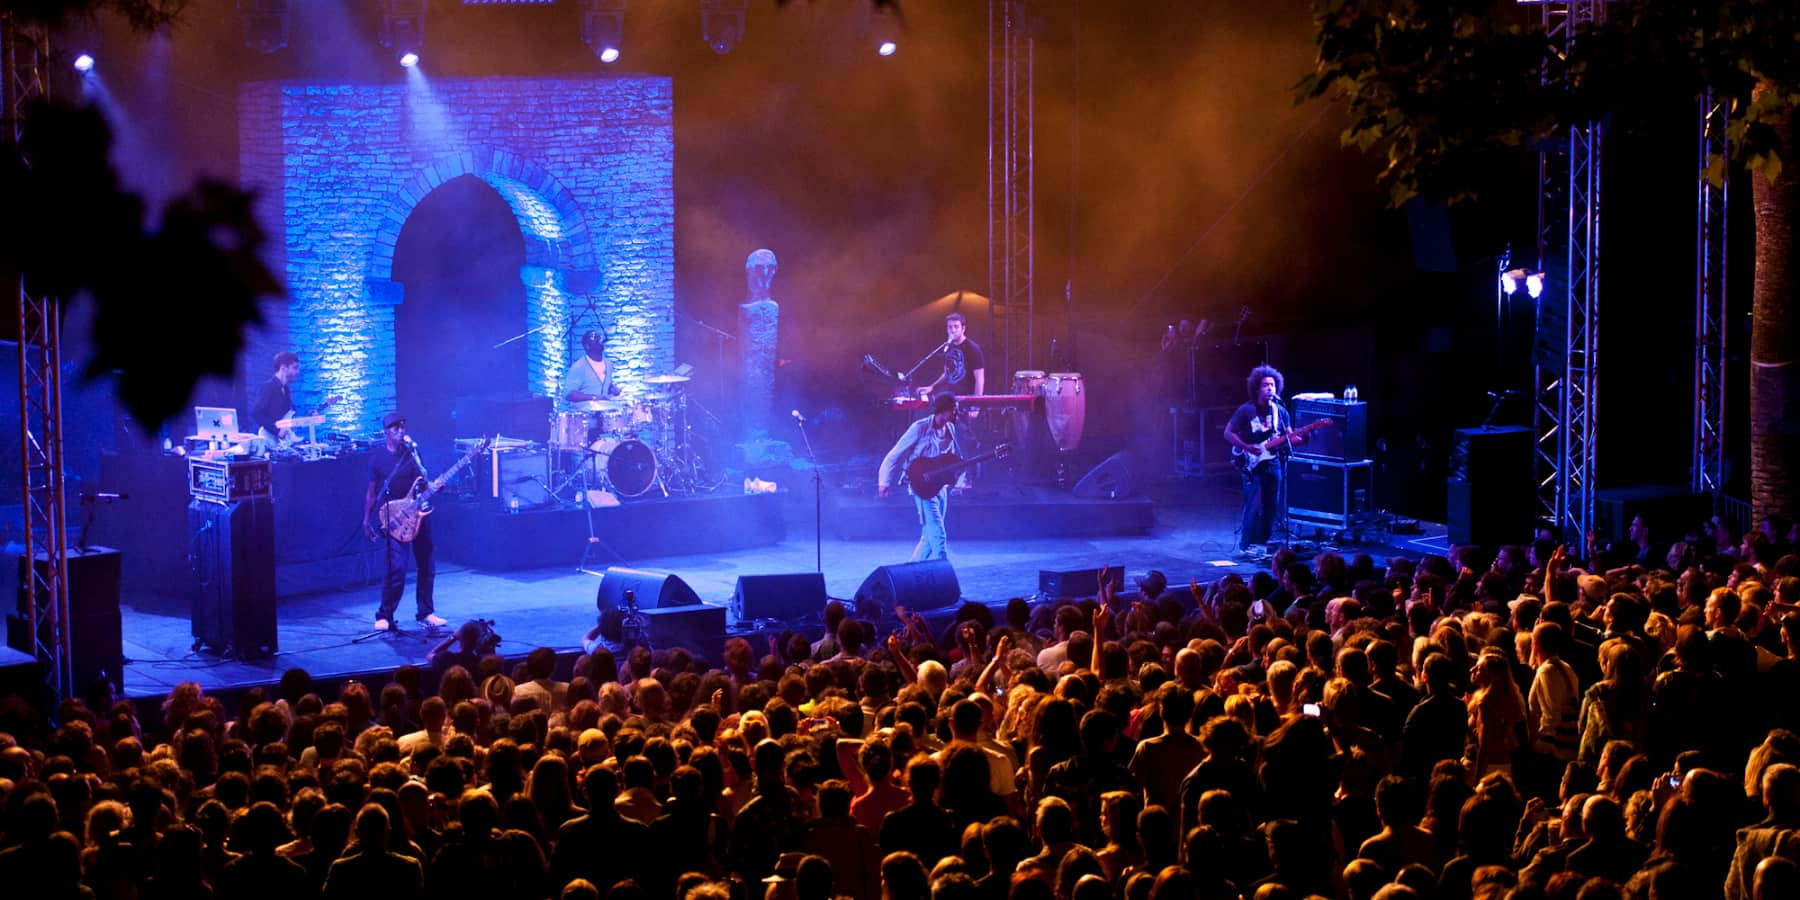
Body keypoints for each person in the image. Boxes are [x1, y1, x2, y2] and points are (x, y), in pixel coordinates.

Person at [363, 411, 445, 632]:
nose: (401, 431)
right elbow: (371, 493)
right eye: (395, 428)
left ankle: (426, 612)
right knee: (397, 569)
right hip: (396, 518)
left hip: (419, 514)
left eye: (402, 426)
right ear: (386, 432)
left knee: (427, 565)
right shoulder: (378, 459)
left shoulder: (413, 454)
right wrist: (366, 519)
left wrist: (434, 487)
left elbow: (424, 482)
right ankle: (384, 615)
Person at [878, 392, 966, 562]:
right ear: (944, 410)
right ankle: (943, 570)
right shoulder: (920, 428)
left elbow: (954, 458)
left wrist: (959, 480)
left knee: (928, 536)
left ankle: (912, 572)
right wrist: (884, 482)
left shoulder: (951, 429)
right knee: (938, 534)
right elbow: (895, 454)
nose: (956, 414)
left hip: (941, 487)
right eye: (954, 410)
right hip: (922, 487)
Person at [1223, 364, 1297, 557]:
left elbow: (1290, 437)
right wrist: (1247, 447)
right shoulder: (1246, 410)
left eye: (1272, 385)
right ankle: (1245, 545)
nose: (1270, 388)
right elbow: (1228, 433)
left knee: (1272, 505)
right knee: (1254, 504)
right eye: (1265, 385)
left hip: (1273, 462)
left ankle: (1262, 544)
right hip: (1251, 464)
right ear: (1257, 388)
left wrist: (1305, 436)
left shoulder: (1280, 411)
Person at [929, 313, 984, 398]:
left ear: (963, 329)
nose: (953, 330)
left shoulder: (972, 348)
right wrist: (932, 387)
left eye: (956, 326)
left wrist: (976, 405)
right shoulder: (948, 346)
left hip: (967, 399)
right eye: (950, 327)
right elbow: (947, 373)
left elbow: (979, 378)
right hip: (952, 397)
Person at [563, 329, 620, 409]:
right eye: (594, 337)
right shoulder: (579, 366)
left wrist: (612, 388)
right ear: (587, 346)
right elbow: (570, 394)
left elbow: (601, 385)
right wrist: (594, 398)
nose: (599, 339)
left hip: (603, 409)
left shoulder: (608, 363)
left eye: (599, 337)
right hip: (585, 413)